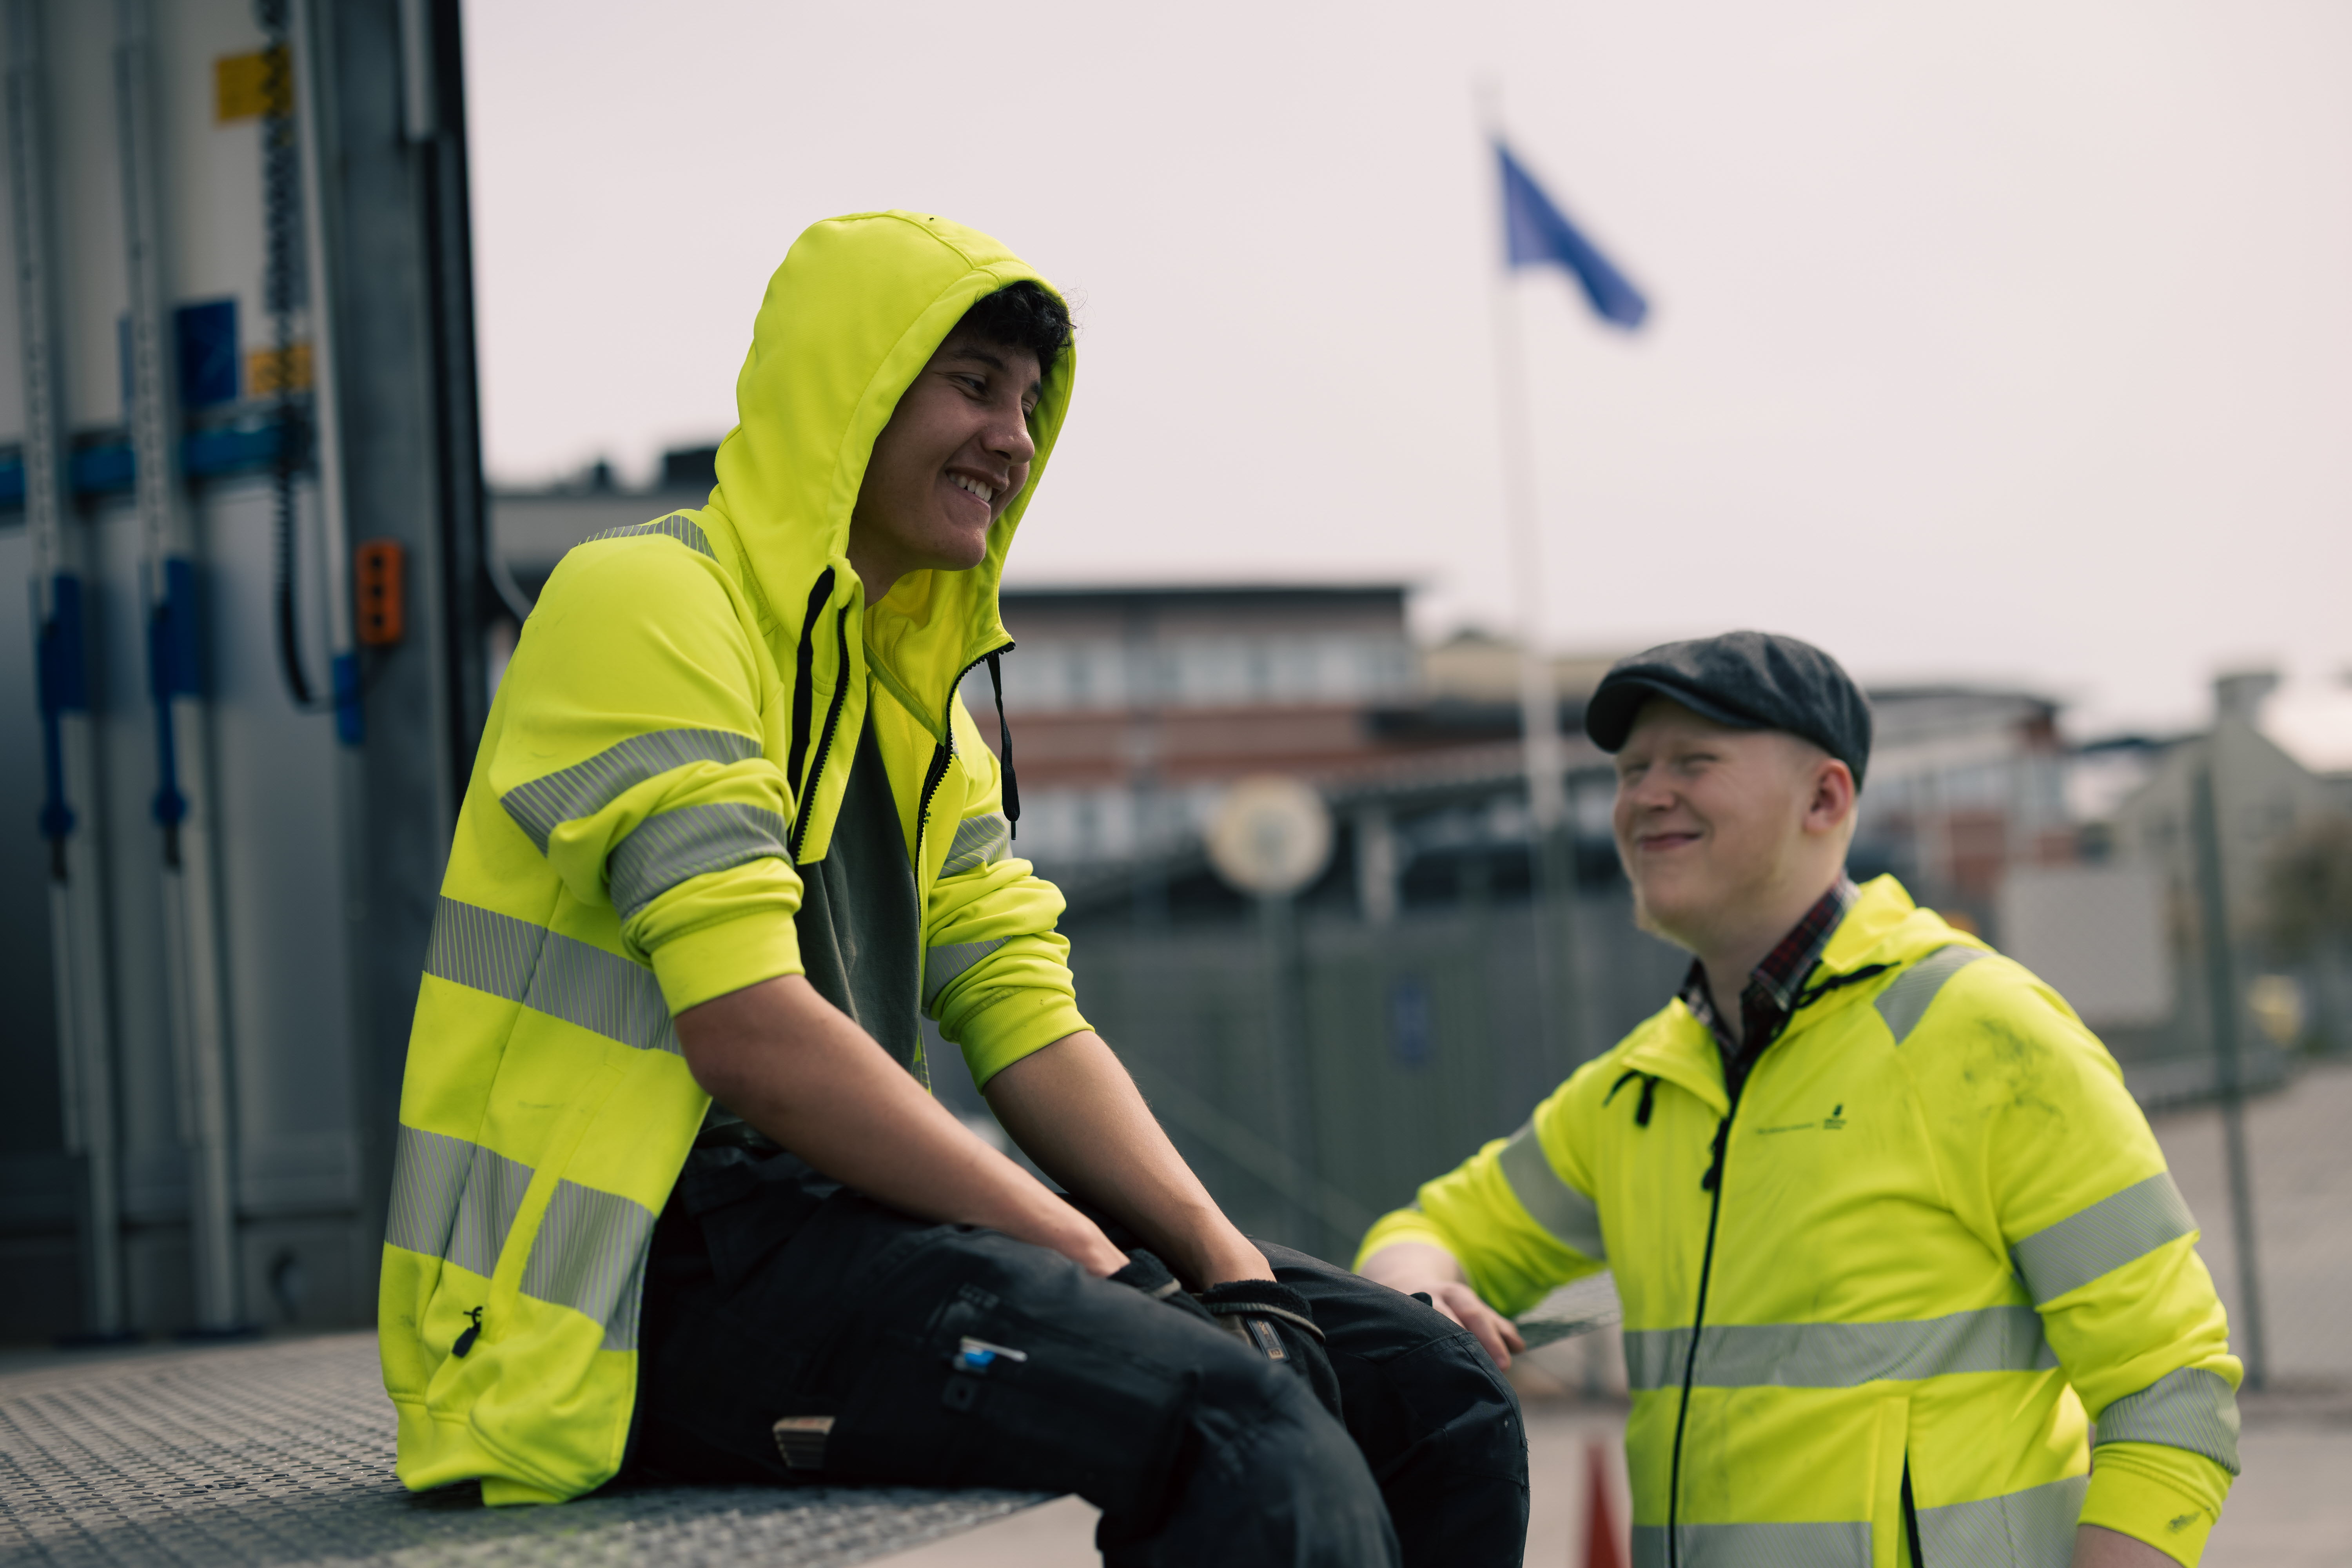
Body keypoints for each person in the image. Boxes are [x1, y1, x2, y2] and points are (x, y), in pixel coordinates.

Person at [377, 210, 1524, 1567]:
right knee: (1241, 1425)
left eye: (1029, 405)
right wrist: (1094, 1265)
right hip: (628, 1291)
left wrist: (1227, 1266)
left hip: (834, 1231)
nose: (1015, 440)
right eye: (972, 387)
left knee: (1439, 1399)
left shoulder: (926, 709)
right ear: (845, 393)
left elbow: (1022, 1010)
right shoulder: (644, 602)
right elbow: (744, 1029)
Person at [1357, 631, 2241, 1568]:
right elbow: (1430, 1225)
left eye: (1694, 761)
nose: (1646, 794)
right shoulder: (1638, 1087)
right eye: (1631, 769)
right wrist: (1415, 1294)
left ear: (1827, 797)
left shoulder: (1982, 1032)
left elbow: (2171, 1388)